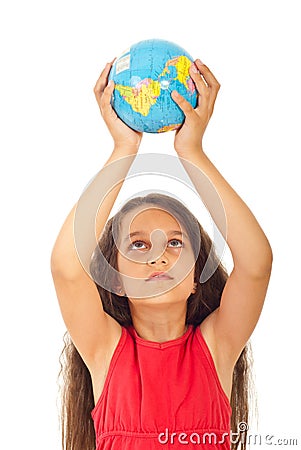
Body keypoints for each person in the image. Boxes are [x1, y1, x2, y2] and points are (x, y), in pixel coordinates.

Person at [51, 58, 273, 450]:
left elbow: (256, 265)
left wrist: (192, 152)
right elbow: (67, 269)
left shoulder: (216, 347)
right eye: (138, 244)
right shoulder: (107, 352)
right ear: (113, 276)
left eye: (175, 242)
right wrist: (124, 148)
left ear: (195, 275)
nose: (159, 255)